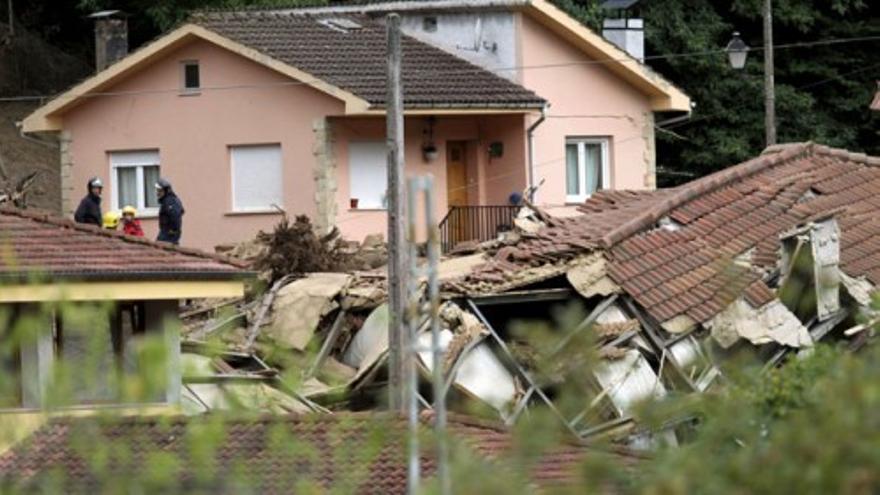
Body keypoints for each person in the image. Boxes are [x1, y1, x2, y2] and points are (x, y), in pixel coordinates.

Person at [155, 177, 184, 244]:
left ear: (166, 190)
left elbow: (176, 215)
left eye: (159, 190)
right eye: (157, 190)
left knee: (160, 249)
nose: (157, 193)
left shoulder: (170, 201)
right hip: (166, 232)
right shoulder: (168, 200)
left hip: (168, 234)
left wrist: (173, 230)